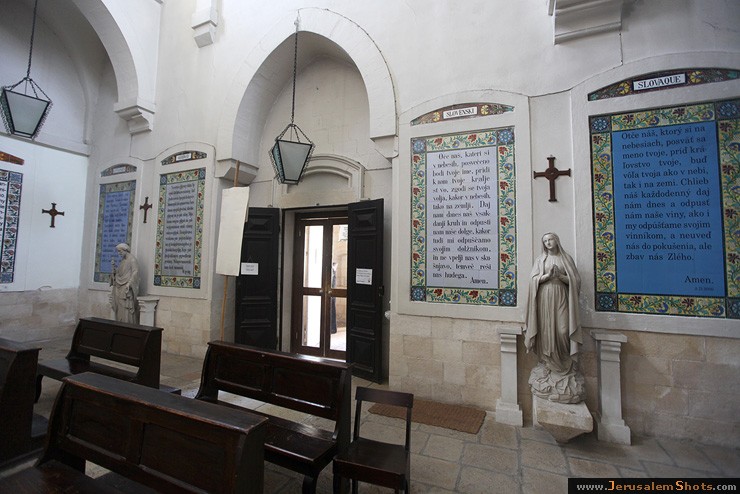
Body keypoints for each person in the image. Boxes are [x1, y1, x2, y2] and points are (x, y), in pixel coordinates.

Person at [524, 232, 584, 403]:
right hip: (545, 297)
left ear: (557, 240)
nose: (548, 243)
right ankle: (549, 364)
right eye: (545, 241)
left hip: (561, 296)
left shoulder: (566, 258)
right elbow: (532, 280)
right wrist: (547, 277)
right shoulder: (540, 260)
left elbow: (576, 281)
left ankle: (564, 365)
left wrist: (561, 277)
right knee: (547, 332)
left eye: (550, 239)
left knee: (563, 330)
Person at [110, 243, 140, 324]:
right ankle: (120, 324)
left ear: (125, 250)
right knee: (119, 308)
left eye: (120, 251)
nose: (119, 253)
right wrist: (114, 270)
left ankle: (127, 324)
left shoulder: (132, 260)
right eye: (118, 251)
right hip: (119, 286)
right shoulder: (123, 260)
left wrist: (129, 283)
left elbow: (135, 272)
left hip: (126, 287)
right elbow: (119, 273)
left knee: (126, 307)